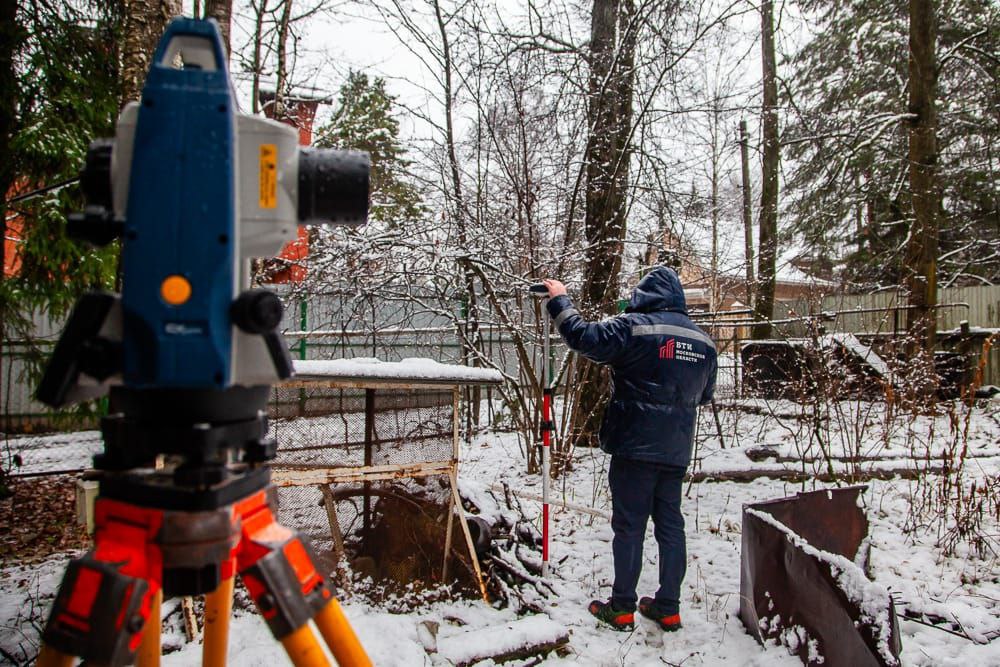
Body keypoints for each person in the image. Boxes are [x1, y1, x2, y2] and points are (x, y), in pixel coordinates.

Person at [542, 266, 717, 633]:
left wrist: (560, 301)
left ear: (644, 296)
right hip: (675, 450)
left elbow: (583, 337)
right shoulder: (705, 342)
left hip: (634, 446)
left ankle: (621, 607)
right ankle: (668, 607)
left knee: (629, 526)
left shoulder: (634, 327)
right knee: (671, 526)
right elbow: (704, 395)